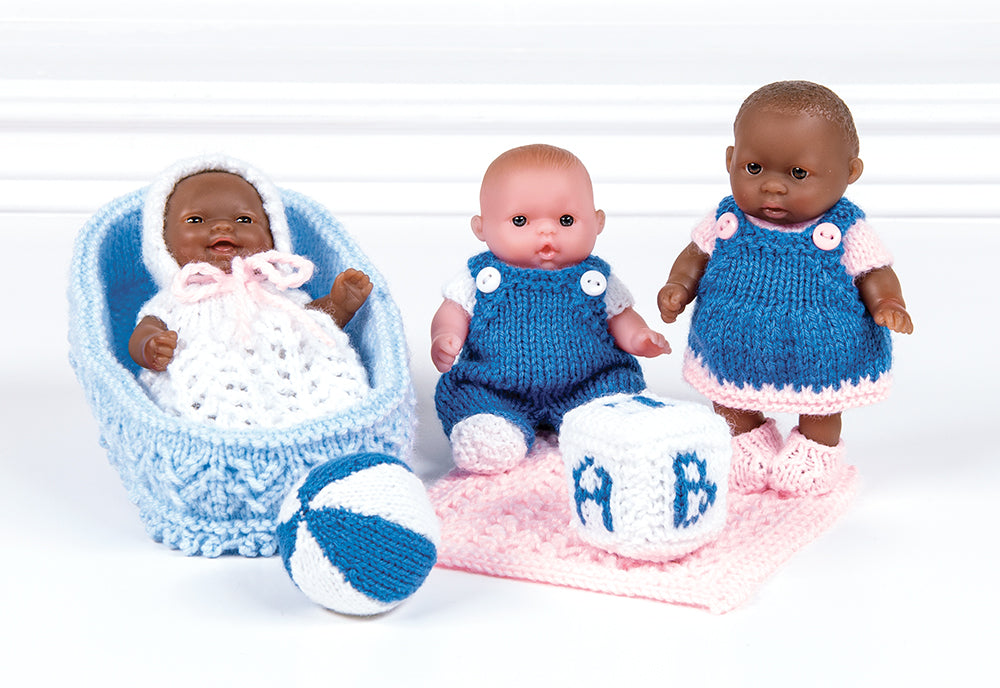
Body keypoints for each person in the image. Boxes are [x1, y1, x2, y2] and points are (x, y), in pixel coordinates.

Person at [657, 81, 913, 496]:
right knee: (729, 396)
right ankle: (744, 437)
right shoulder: (726, 221)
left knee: (822, 405)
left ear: (850, 172)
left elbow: (874, 272)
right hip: (731, 341)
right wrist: (678, 285)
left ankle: (816, 449)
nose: (773, 186)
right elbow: (694, 256)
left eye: (798, 174)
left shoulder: (845, 230)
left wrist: (888, 302)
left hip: (822, 348)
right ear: (731, 160)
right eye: (754, 169)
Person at [432, 144, 669, 474]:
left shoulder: (595, 279)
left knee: (615, 394)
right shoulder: (480, 279)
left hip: (587, 383)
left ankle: (614, 427)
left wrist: (640, 337)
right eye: (520, 220)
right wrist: (445, 336)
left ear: (597, 222)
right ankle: (491, 429)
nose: (547, 231)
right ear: (481, 228)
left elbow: (621, 318)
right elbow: (453, 311)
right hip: (497, 385)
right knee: (471, 397)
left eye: (566, 220)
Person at [130, 155, 372, 428]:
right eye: (196, 220)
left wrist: (339, 304)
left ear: (273, 236)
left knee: (330, 387)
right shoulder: (177, 300)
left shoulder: (275, 291)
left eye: (244, 219)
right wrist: (149, 346)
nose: (223, 226)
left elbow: (312, 324)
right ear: (162, 242)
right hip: (211, 399)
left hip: (292, 389)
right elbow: (145, 330)